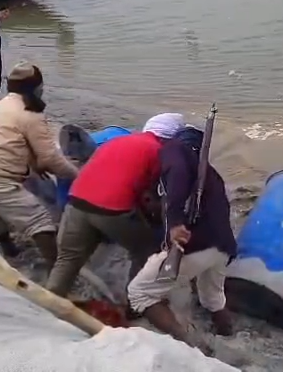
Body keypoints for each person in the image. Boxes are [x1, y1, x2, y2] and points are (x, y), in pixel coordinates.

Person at [46, 113, 186, 299]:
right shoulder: (159, 151)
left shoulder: (118, 141)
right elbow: (150, 197)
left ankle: (50, 299)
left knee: (68, 258)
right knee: (147, 251)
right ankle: (135, 302)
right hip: (111, 209)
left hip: (77, 200)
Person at [128, 126, 237, 350]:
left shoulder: (176, 150)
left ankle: (191, 346)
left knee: (139, 292)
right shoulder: (210, 174)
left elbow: (177, 172)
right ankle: (231, 339)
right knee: (214, 298)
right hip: (223, 248)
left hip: (196, 244)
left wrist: (175, 222)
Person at [0, 62, 78, 264]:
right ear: (36, 88)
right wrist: (78, 175)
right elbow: (50, 158)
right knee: (40, 223)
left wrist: (34, 163)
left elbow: (9, 140)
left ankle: (10, 254)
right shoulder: (30, 113)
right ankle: (59, 273)